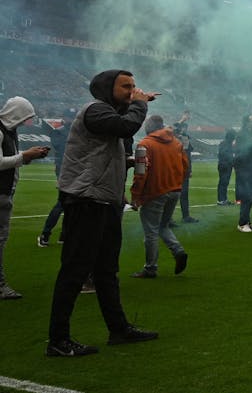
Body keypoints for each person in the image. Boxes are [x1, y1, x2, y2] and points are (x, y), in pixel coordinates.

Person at [47, 69, 160, 357]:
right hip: (86, 200)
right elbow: (126, 127)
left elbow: (104, 150)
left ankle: (118, 329)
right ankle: (58, 340)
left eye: (134, 86)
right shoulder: (95, 109)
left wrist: (127, 162)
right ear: (107, 88)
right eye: (126, 86)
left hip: (105, 201)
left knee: (107, 271)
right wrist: (140, 103)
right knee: (75, 270)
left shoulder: (108, 114)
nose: (132, 90)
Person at [1, 97, 51, 299]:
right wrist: (24, 156)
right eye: (24, 117)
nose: (24, 122)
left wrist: (29, 155)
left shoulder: (9, 131)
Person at [128, 115, 189, 279]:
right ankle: (178, 251)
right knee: (163, 226)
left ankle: (150, 268)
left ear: (149, 127)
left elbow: (140, 172)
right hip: (175, 190)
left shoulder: (144, 144)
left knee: (151, 232)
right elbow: (185, 166)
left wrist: (135, 196)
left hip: (155, 193)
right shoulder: (176, 142)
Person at [38, 107, 75, 247]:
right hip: (65, 169)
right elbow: (60, 149)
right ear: (64, 118)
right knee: (63, 203)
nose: (71, 120)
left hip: (72, 169)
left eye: (73, 117)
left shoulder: (68, 131)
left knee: (69, 204)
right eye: (69, 117)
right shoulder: (59, 132)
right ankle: (46, 234)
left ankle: (63, 235)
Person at [172, 111, 198, 224]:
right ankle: (168, 218)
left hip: (184, 170)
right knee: (172, 194)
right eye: (182, 128)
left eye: (185, 128)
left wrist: (190, 170)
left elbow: (188, 156)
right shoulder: (173, 138)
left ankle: (186, 216)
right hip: (175, 169)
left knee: (184, 193)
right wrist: (182, 120)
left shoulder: (186, 139)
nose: (183, 130)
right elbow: (173, 129)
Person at [215, 129, 235, 206]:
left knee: (224, 183)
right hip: (225, 165)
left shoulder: (225, 143)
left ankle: (223, 199)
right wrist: (231, 159)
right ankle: (221, 200)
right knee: (223, 183)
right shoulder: (226, 144)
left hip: (225, 165)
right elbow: (223, 153)